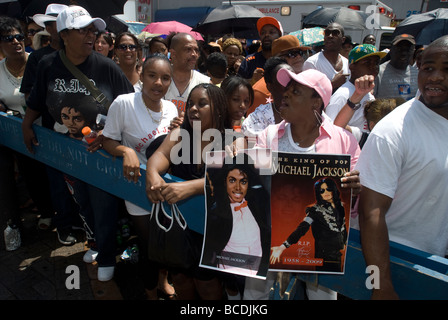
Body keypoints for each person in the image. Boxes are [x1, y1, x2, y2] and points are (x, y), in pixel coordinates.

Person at [21, 5, 134, 281]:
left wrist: (110, 136)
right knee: (81, 201)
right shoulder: (47, 65)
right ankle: (95, 242)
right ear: (64, 34)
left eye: (92, 30)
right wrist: (26, 125)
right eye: (82, 30)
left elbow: (130, 106)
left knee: (103, 202)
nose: (90, 35)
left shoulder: (106, 67)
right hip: (66, 153)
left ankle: (107, 256)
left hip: (100, 151)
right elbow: (35, 103)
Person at [246, 67, 361, 300]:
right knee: (254, 297)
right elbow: (250, 185)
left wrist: (356, 189)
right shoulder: (266, 137)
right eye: (286, 90)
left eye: (295, 91)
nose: (285, 95)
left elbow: (355, 204)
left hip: (320, 248)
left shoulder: (343, 141)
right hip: (267, 241)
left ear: (316, 102)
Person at [356, 35, 448, 300]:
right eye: (428, 68)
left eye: (446, 69)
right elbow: (370, 212)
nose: (435, 77)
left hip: (437, 263)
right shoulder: (392, 131)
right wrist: (379, 284)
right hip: (395, 264)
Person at [102, 53, 178, 299]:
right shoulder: (124, 103)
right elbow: (107, 140)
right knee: (149, 245)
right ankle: (149, 290)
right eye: (152, 76)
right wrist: (125, 151)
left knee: (166, 241)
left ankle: (163, 280)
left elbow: (172, 149)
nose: (158, 83)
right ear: (141, 76)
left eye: (165, 78)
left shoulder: (171, 108)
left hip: (166, 186)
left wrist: (180, 131)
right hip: (136, 187)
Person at [146, 83, 228, 300]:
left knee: (206, 283)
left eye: (202, 104)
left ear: (218, 109)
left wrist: (192, 187)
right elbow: (159, 158)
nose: (193, 109)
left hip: (210, 228)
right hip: (180, 227)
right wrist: (153, 175)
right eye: (190, 104)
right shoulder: (179, 135)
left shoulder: (231, 141)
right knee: (180, 278)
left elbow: (232, 180)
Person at [0, 16, 54, 242]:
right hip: (15, 134)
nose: (15, 42)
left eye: (19, 36)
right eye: (8, 38)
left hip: (46, 129)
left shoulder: (39, 62)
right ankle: (45, 211)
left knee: (52, 174)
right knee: (30, 174)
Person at [202, 153, 271, 277]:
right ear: (224, 182)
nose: (238, 187)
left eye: (243, 181)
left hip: (257, 272)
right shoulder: (217, 214)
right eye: (232, 180)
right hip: (230, 274)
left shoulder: (257, 205)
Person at [270, 178, 347, 272]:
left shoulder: (340, 206)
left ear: (333, 189)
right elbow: (302, 228)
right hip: (324, 257)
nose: (325, 192)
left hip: (340, 255)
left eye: (328, 189)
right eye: (322, 190)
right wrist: (283, 247)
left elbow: (343, 227)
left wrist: (345, 244)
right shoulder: (314, 211)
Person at [326, 44, 386, 142]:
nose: (373, 67)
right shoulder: (342, 95)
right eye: (367, 63)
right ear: (352, 67)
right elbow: (330, 132)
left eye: (376, 63)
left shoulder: (368, 93)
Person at [247, 35, 310, 116]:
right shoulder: (260, 90)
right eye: (292, 54)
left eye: (300, 53)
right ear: (277, 58)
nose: (298, 57)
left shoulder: (307, 83)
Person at [242, 58, 292, 138]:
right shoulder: (259, 117)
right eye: (283, 79)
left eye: (292, 78)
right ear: (270, 86)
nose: (290, 85)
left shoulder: (308, 111)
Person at [164, 32, 210, 115]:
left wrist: (188, 124)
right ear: (173, 54)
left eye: (196, 50)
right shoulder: (159, 80)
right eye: (188, 50)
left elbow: (205, 120)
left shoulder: (204, 83)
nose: (194, 54)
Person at [303, 23, 350, 92]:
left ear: (343, 39)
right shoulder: (312, 62)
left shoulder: (347, 63)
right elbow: (307, 93)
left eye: (335, 33)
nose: (330, 36)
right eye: (327, 33)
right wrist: (332, 84)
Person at [238, 16, 283, 84]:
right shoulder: (249, 61)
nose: (266, 35)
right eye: (263, 32)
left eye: (271, 32)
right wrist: (252, 80)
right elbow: (237, 86)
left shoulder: (285, 60)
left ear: (280, 36)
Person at [374, 34, 418, 101]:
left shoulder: (417, 74)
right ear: (391, 50)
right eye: (399, 49)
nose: (404, 53)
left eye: (408, 49)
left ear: (413, 51)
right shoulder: (378, 72)